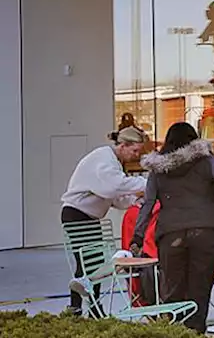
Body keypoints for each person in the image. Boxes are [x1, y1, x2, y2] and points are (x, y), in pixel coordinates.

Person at [130, 123, 214, 333]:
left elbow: (148, 203)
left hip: (171, 233)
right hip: (205, 229)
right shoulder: (206, 160)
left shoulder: (158, 169)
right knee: (200, 285)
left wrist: (138, 236)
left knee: (173, 288)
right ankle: (197, 333)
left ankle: (177, 336)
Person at [60, 126, 148, 313]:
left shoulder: (112, 162)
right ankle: (83, 307)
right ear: (123, 145)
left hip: (88, 215)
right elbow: (113, 187)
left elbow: (113, 196)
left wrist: (135, 200)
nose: (136, 155)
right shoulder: (104, 159)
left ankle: (87, 307)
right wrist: (146, 184)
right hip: (77, 214)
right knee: (87, 262)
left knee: (93, 262)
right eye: (135, 150)